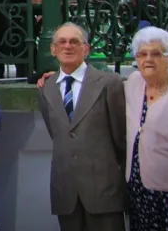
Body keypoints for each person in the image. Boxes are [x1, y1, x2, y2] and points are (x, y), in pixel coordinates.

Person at [38, 22, 127, 231]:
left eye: (74, 42)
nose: (68, 46)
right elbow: (57, 134)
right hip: (66, 192)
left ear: (86, 49)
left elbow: (121, 138)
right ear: (53, 49)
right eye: (62, 42)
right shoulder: (46, 87)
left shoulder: (109, 83)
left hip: (104, 192)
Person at [124, 27, 168, 230]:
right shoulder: (133, 83)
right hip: (138, 189)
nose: (148, 59)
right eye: (142, 54)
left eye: (156, 54)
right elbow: (97, 84)